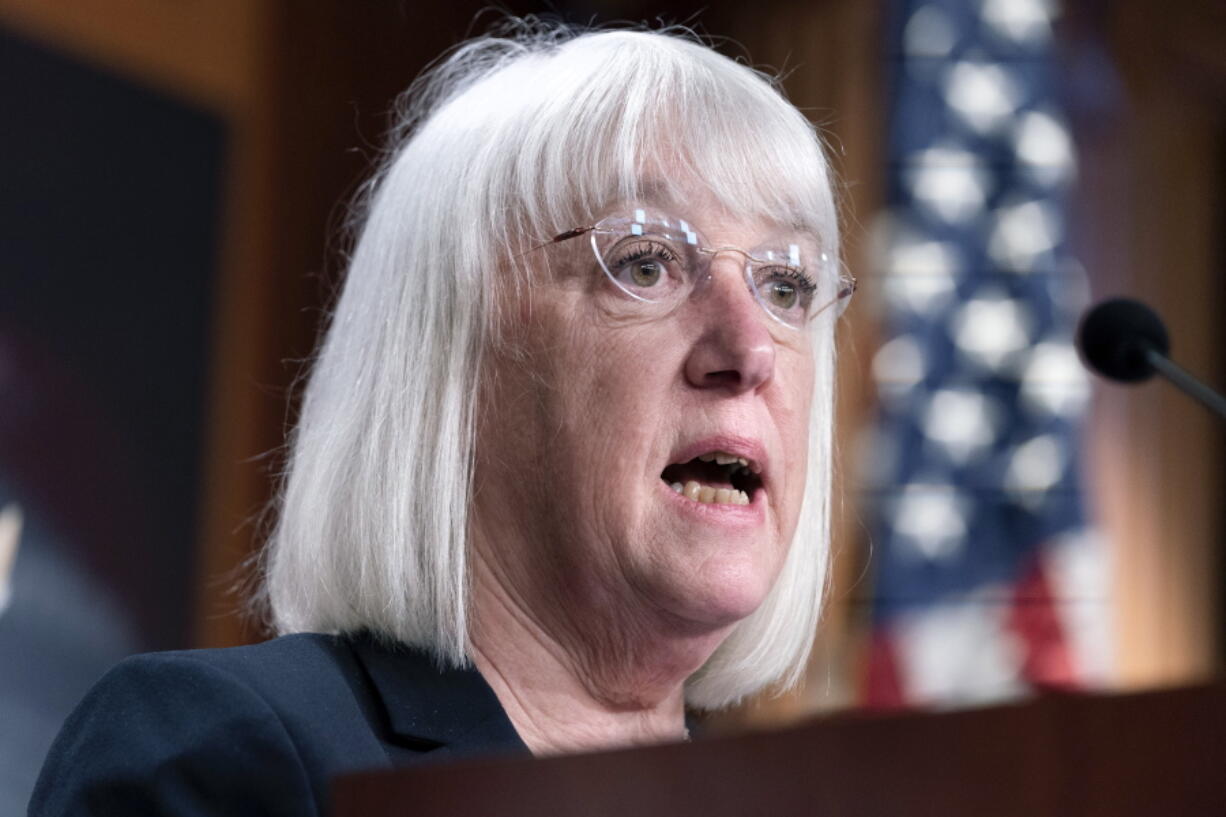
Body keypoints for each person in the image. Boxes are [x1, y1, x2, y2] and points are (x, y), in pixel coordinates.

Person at [30, 19, 853, 816]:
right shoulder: (224, 755)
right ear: (454, 354)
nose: (752, 348)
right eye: (646, 262)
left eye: (786, 286)